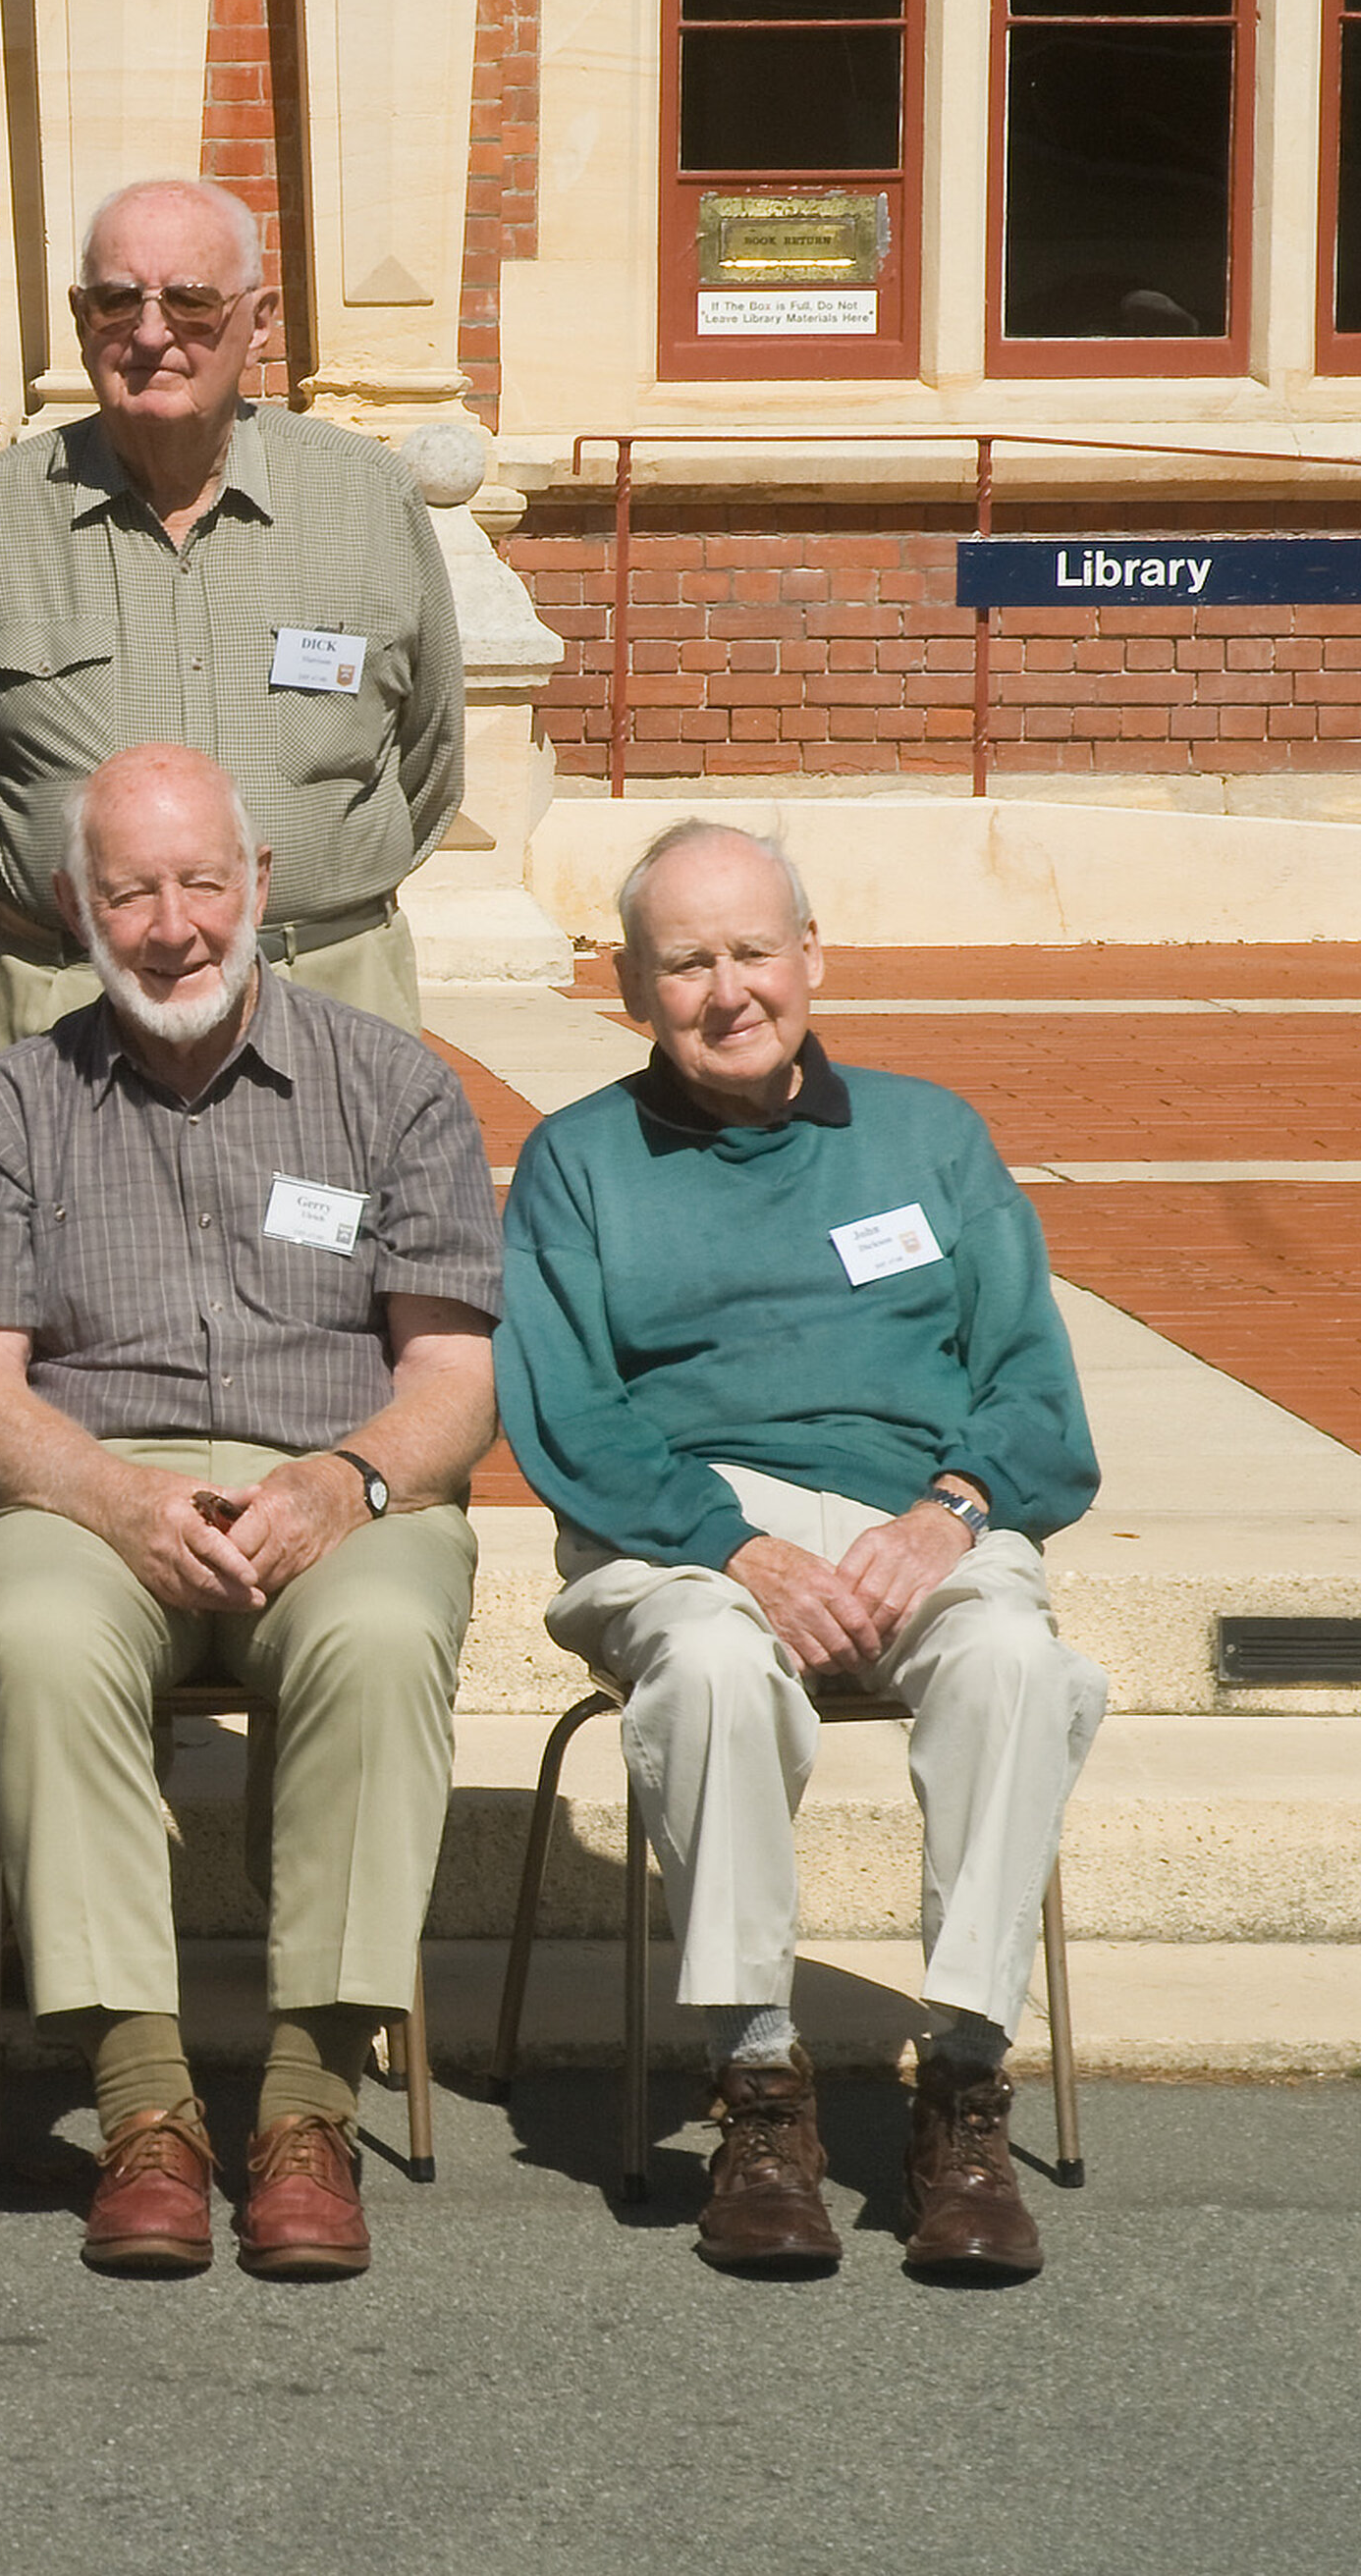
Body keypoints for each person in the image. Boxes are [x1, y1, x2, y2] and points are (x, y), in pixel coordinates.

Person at [0, 743, 501, 2281]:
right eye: (131, 890)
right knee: (35, 1629)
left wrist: (345, 1482)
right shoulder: (3, 1111)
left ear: (257, 887)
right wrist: (114, 1499)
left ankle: (308, 2102)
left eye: (198, 882)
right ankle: (145, 2104)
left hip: (340, 1478)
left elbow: (451, 1376)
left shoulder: (397, 1087)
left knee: (380, 1635)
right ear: (72, 905)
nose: (172, 923)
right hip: (87, 1482)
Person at [498, 821, 1106, 2281]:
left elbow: (1036, 1389)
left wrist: (947, 1512)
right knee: (707, 1664)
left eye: (754, 950)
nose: (728, 989)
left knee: (1017, 1658)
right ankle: (760, 2091)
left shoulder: (931, 1137)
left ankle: (963, 2080)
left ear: (813, 956)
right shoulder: (577, 1160)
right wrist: (740, 1546)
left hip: (918, 1515)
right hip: (687, 1533)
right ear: (635, 984)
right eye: (686, 960)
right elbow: (565, 1413)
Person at [0, 176, 465, 1079]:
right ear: (82, 318)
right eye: (119, 301)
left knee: (332, 1228)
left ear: (259, 319)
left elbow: (430, 761)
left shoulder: (369, 500)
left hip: (328, 1002)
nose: (152, 335)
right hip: (59, 1016)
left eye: (192, 303)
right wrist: (61, 919)